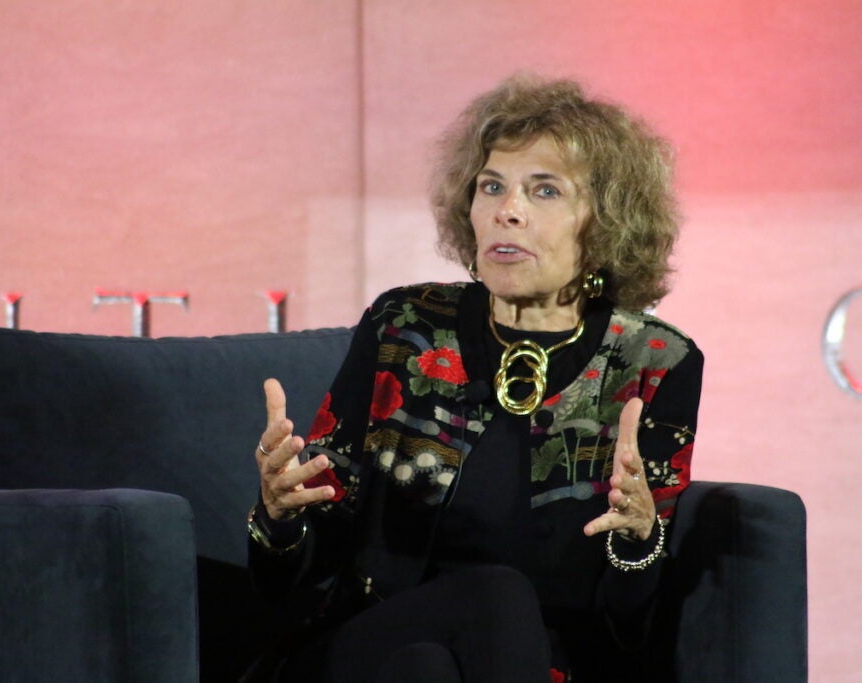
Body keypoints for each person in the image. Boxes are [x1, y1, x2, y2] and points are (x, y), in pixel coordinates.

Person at [246, 75, 703, 683]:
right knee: (489, 598)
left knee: (428, 670)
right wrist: (280, 515)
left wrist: (640, 539)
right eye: (492, 186)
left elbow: (630, 622)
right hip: (365, 639)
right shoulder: (405, 327)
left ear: (606, 223)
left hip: (532, 664)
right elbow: (300, 570)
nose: (507, 210)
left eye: (544, 191)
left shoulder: (654, 361)